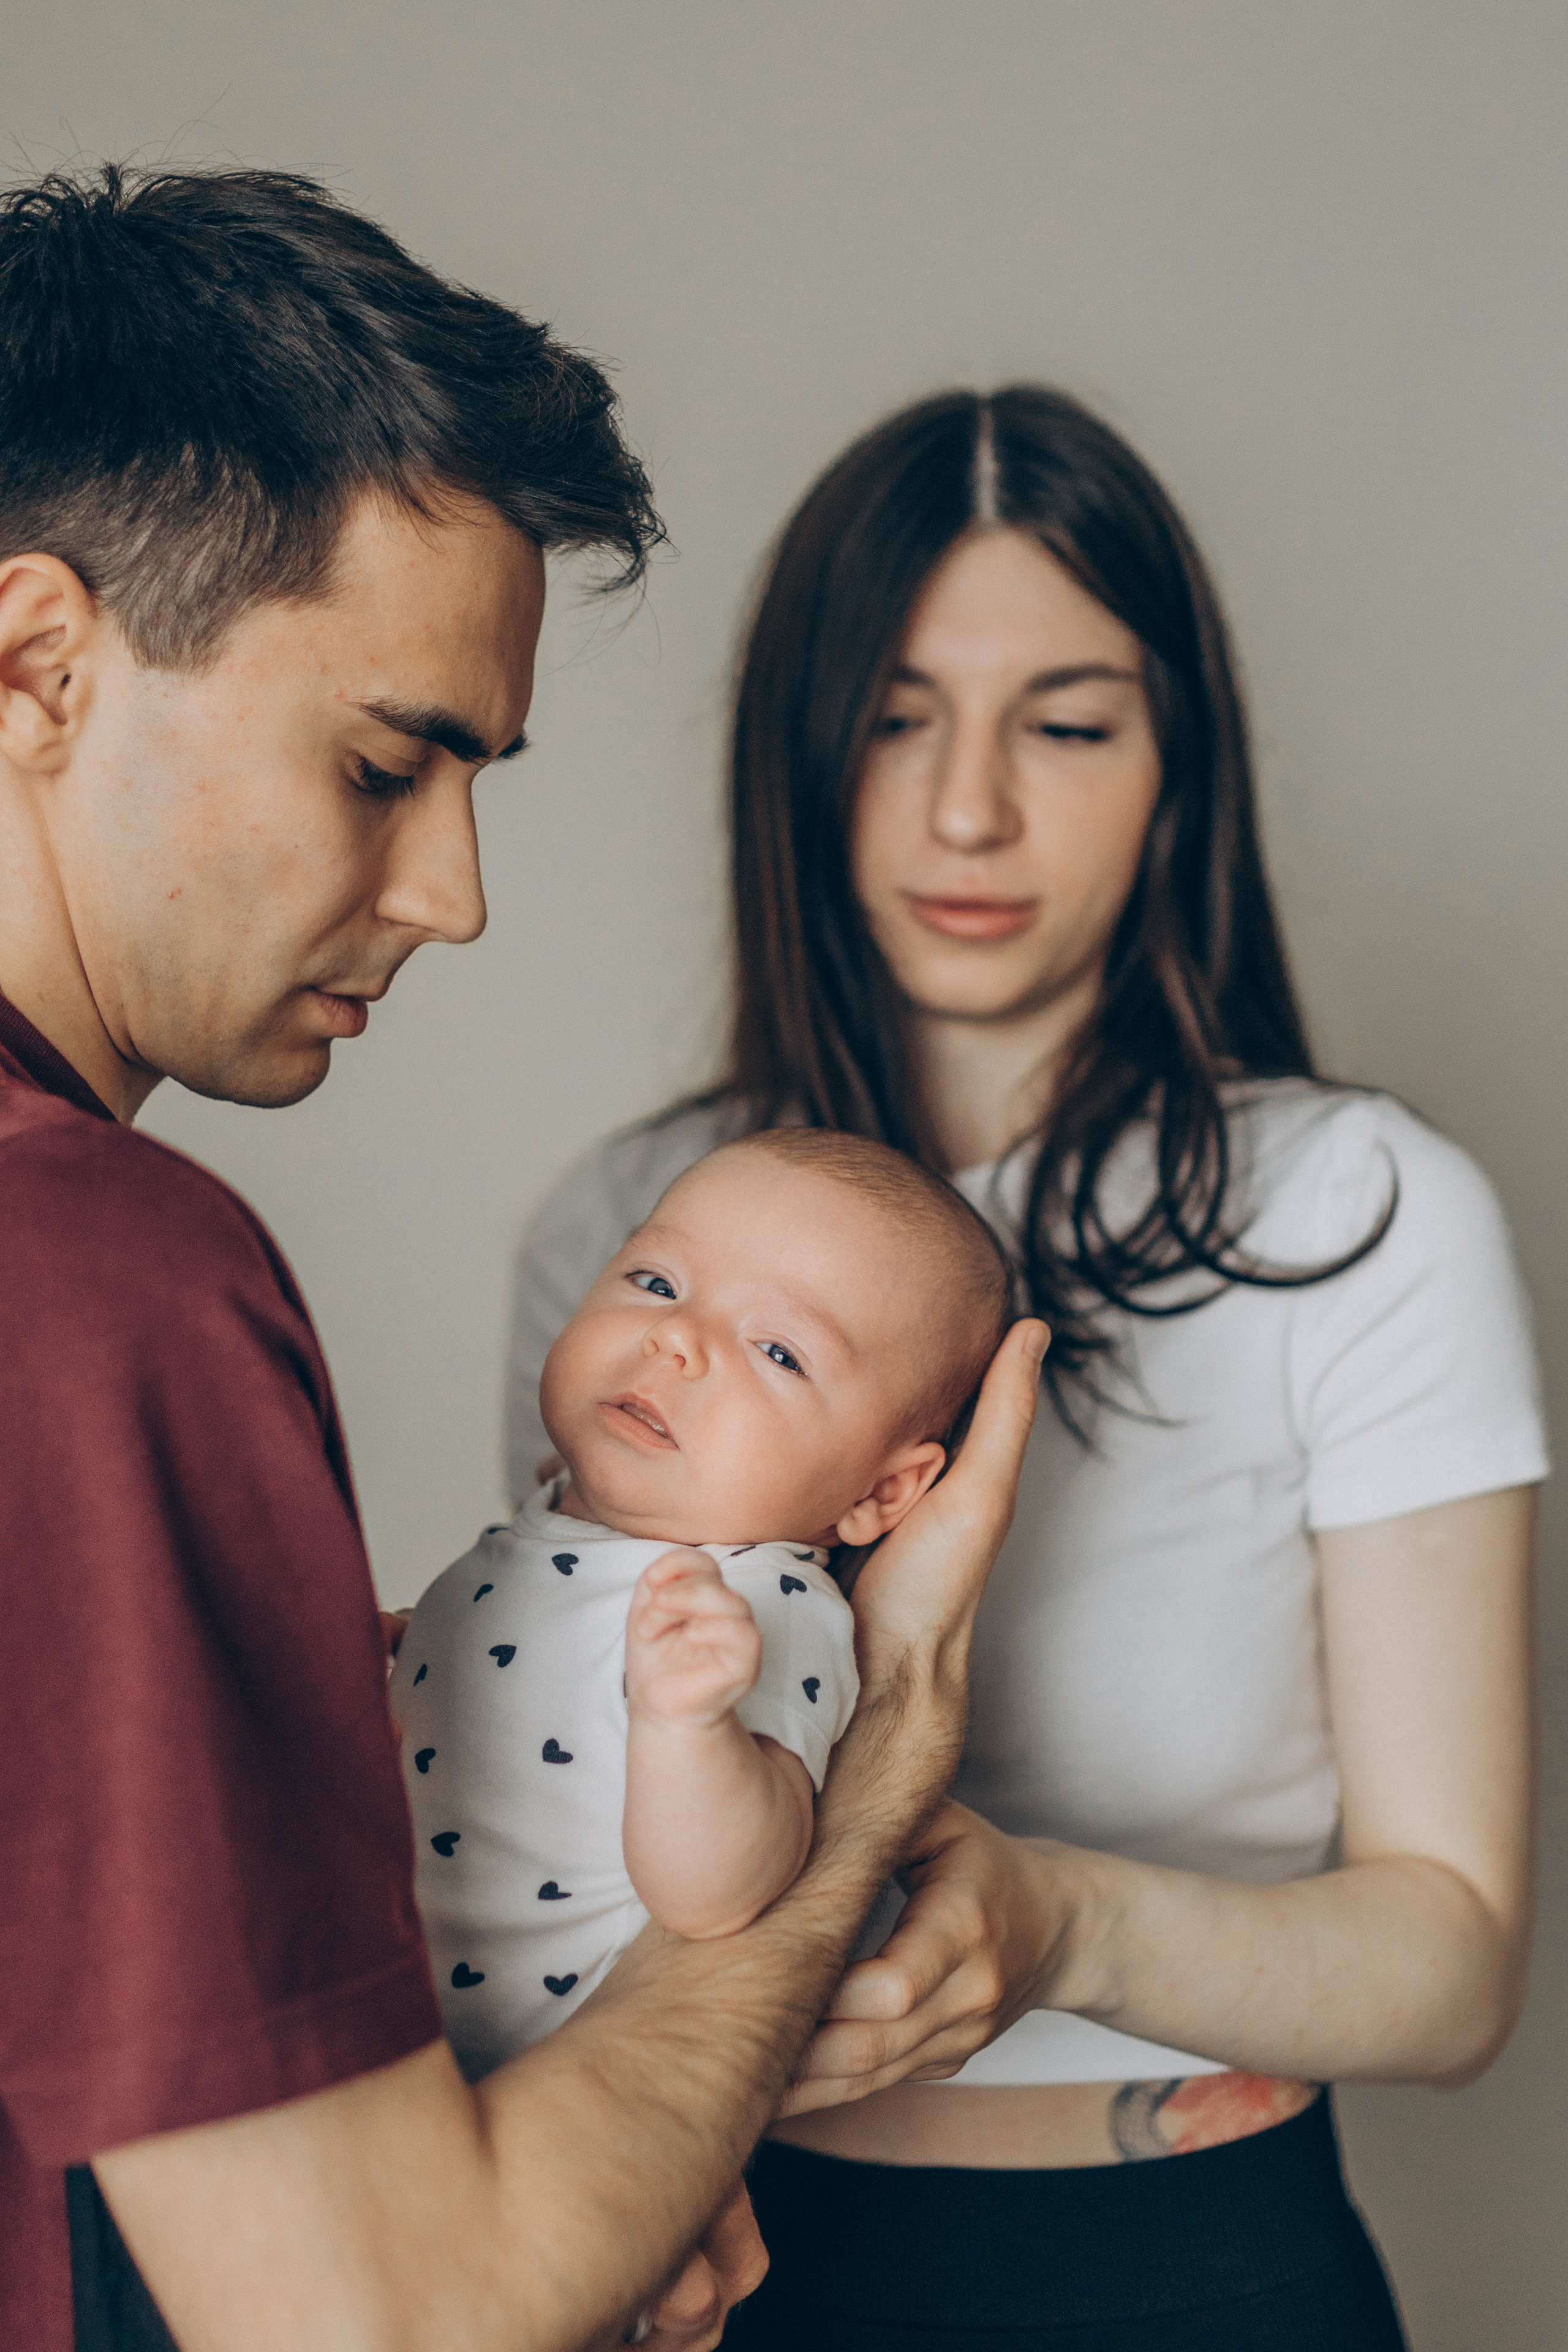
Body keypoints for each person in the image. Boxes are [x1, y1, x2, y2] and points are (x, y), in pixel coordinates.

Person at [0, 168, 1046, 2352]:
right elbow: (396, 2314)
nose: (453, 895)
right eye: (388, 765)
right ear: (37, 666)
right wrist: (883, 1762)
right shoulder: (96, 1275)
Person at [503, 386, 1547, 2348]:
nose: (970, 810)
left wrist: (1058, 1923)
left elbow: (1457, 1961)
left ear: (1177, 765)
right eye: (897, 718)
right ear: (799, 751)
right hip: (720, 2261)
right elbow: (551, 1807)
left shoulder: (1361, 1211)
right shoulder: (627, 1234)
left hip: (1195, 2268)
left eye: (1067, 724)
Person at [397, 1131, 1012, 2078]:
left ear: (880, 1493)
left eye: (778, 1350)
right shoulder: (556, 1523)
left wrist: (690, 1727)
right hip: (394, 2052)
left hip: (564, 2088)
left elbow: (719, 1895)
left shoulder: (762, 1607)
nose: (675, 1338)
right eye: (656, 1282)